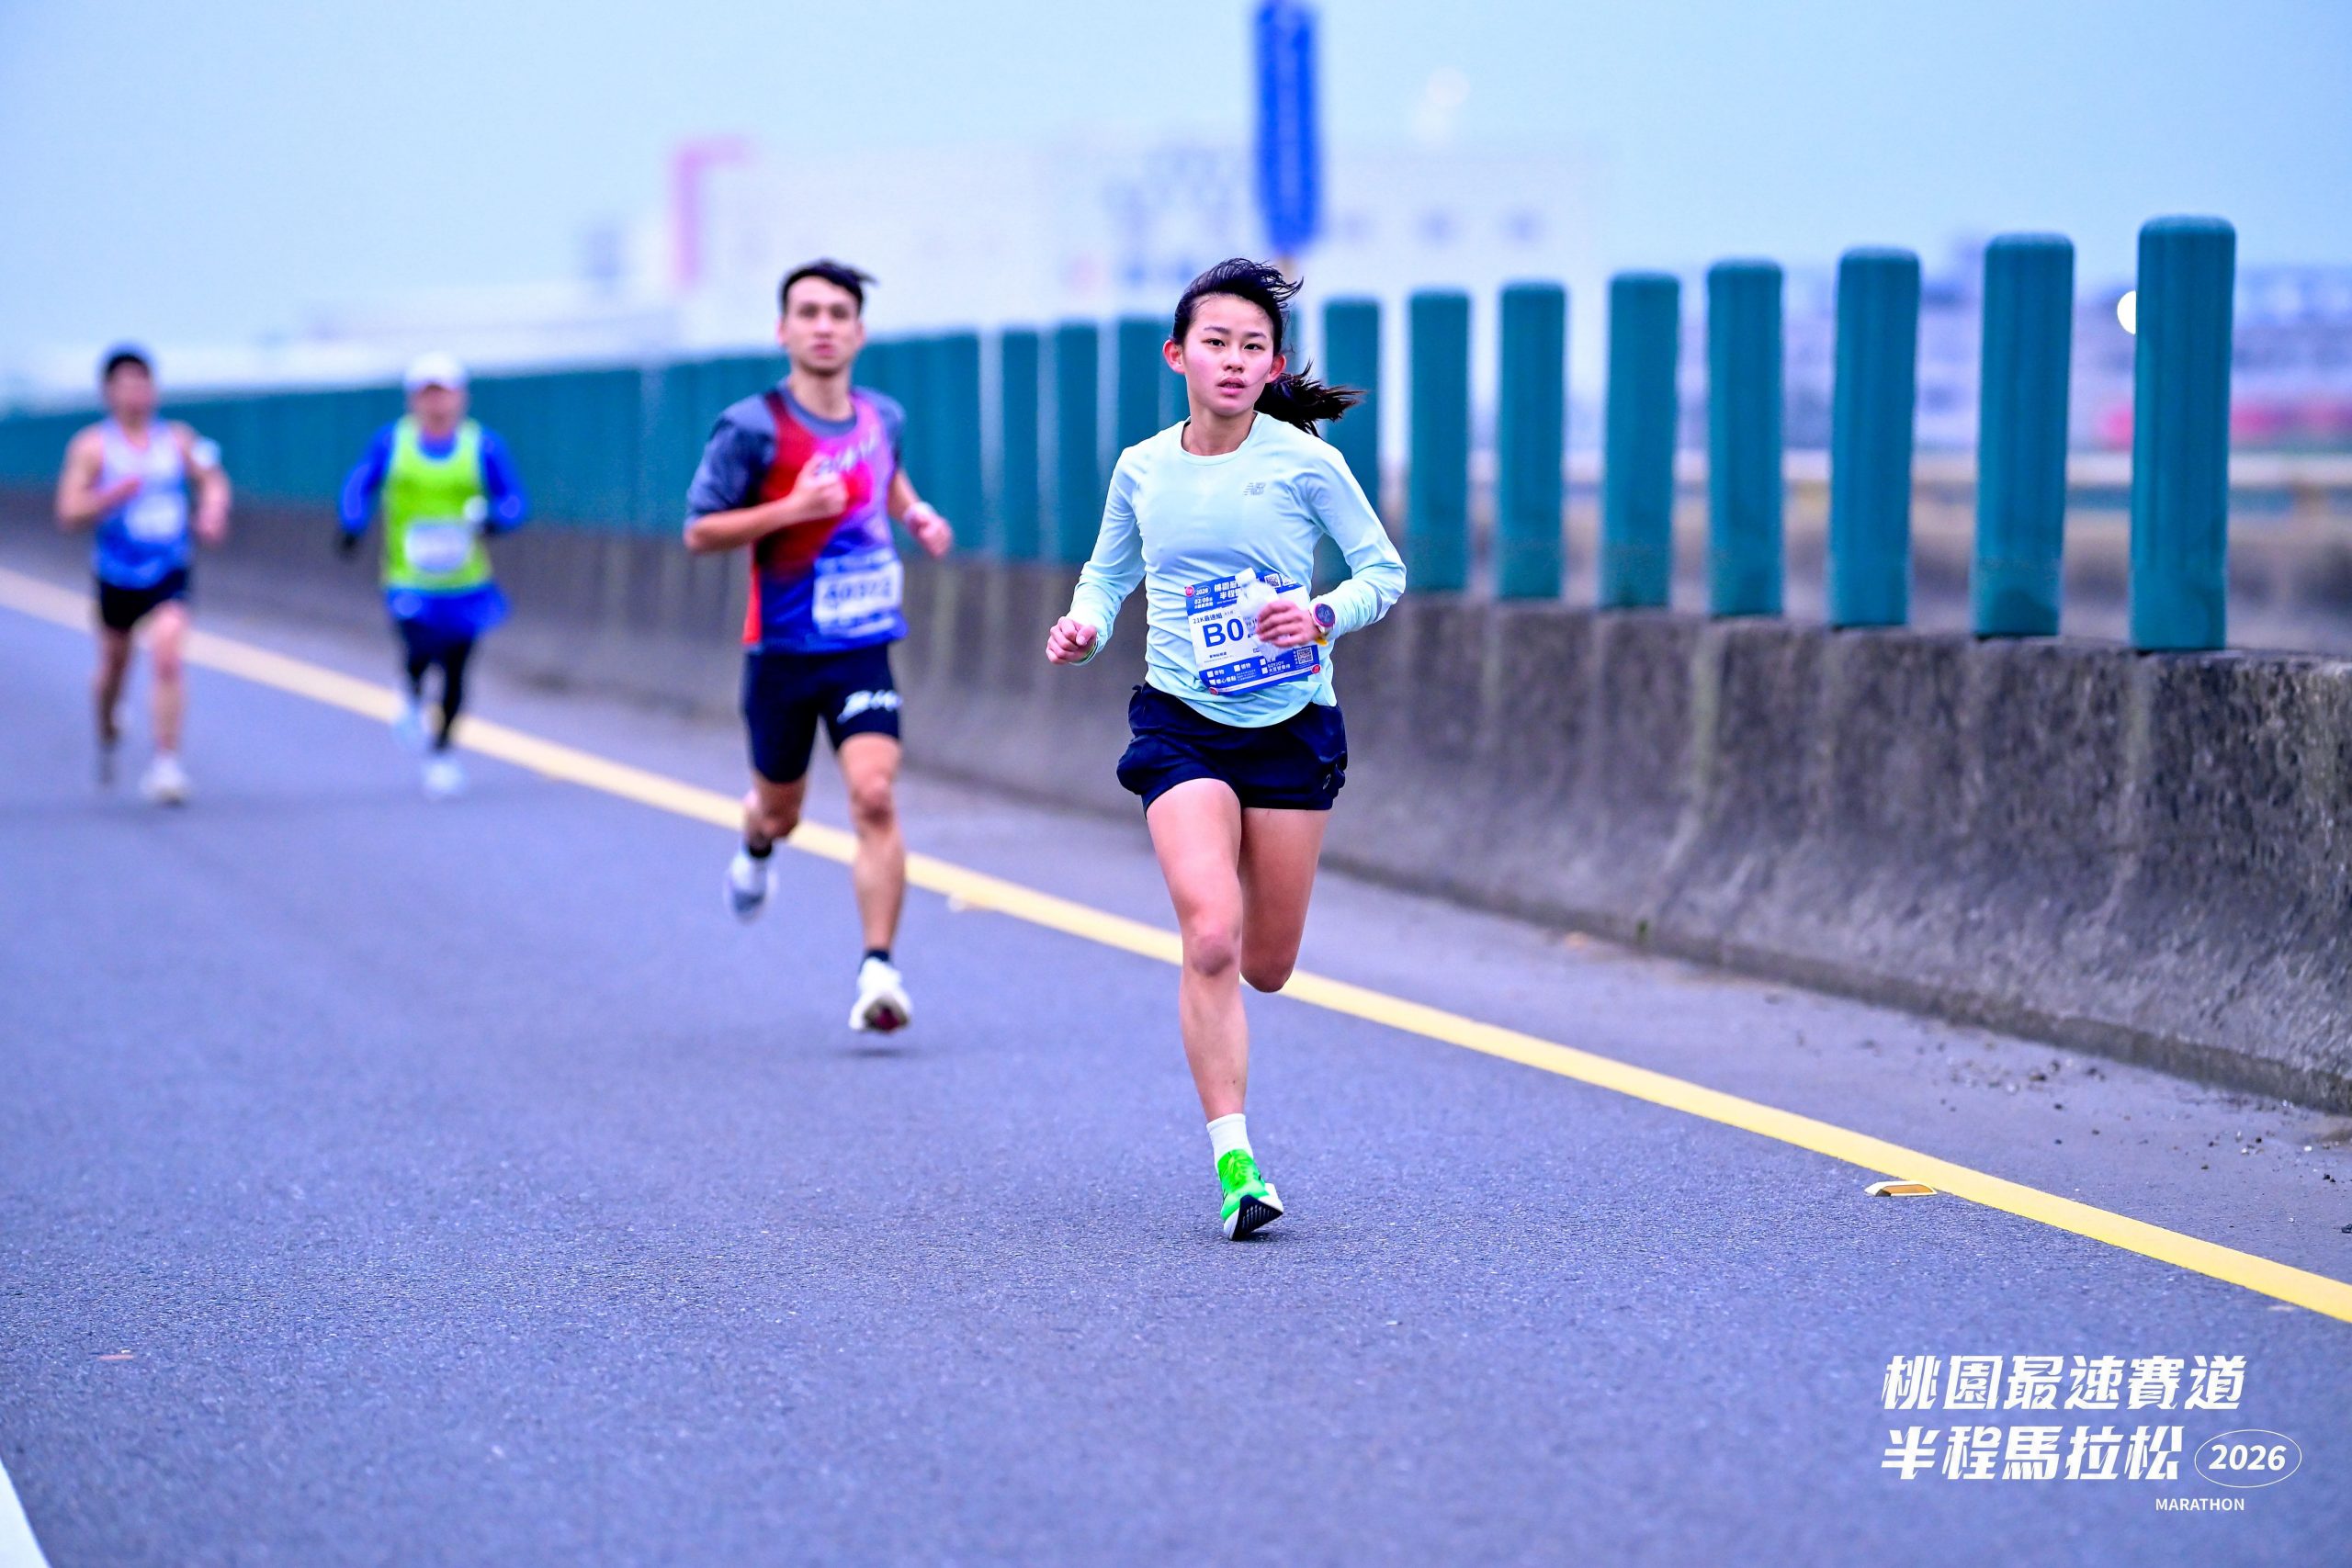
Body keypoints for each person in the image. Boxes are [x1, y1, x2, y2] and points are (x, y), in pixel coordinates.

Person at [1046, 259, 1406, 1240]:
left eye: (1254, 347)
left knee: (1266, 964)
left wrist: (1322, 614)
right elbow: (1107, 575)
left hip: (1290, 725)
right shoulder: (1142, 467)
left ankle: (1242, 997)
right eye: (1217, 343)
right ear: (1178, 356)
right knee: (1209, 932)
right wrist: (1084, 627)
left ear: (1273, 365)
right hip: (1179, 723)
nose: (1235, 360)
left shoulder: (1303, 463)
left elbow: (1382, 571)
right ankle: (1236, 1164)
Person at [683, 260, 955, 1033]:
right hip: (782, 651)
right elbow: (699, 530)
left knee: (874, 795)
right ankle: (757, 842)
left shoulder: (882, 416)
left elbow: (885, 473)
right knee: (781, 811)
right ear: (783, 330)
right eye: (808, 313)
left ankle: (878, 970)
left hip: (862, 644)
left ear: (859, 332)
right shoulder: (751, 428)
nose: (824, 326)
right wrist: (790, 509)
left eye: (839, 313)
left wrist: (915, 512)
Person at [337, 352, 528, 799]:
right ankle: (409, 689)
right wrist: (352, 523)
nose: (436, 404)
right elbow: (360, 482)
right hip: (409, 576)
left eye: (443, 394)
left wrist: (494, 520)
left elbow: (515, 500)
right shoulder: (393, 442)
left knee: (457, 668)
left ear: (461, 398)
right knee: (421, 645)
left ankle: (442, 753)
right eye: (427, 394)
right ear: (413, 400)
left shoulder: (483, 446)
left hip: (465, 580)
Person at [54, 347, 231, 803]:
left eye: (143, 384)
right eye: (126, 385)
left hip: (168, 567)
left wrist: (212, 511)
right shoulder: (93, 446)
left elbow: (213, 480)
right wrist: (109, 496)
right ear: (109, 392)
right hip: (117, 573)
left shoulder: (178, 440)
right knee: (115, 664)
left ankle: (167, 765)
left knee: (168, 652)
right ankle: (107, 723)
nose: (136, 394)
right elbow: (68, 510)